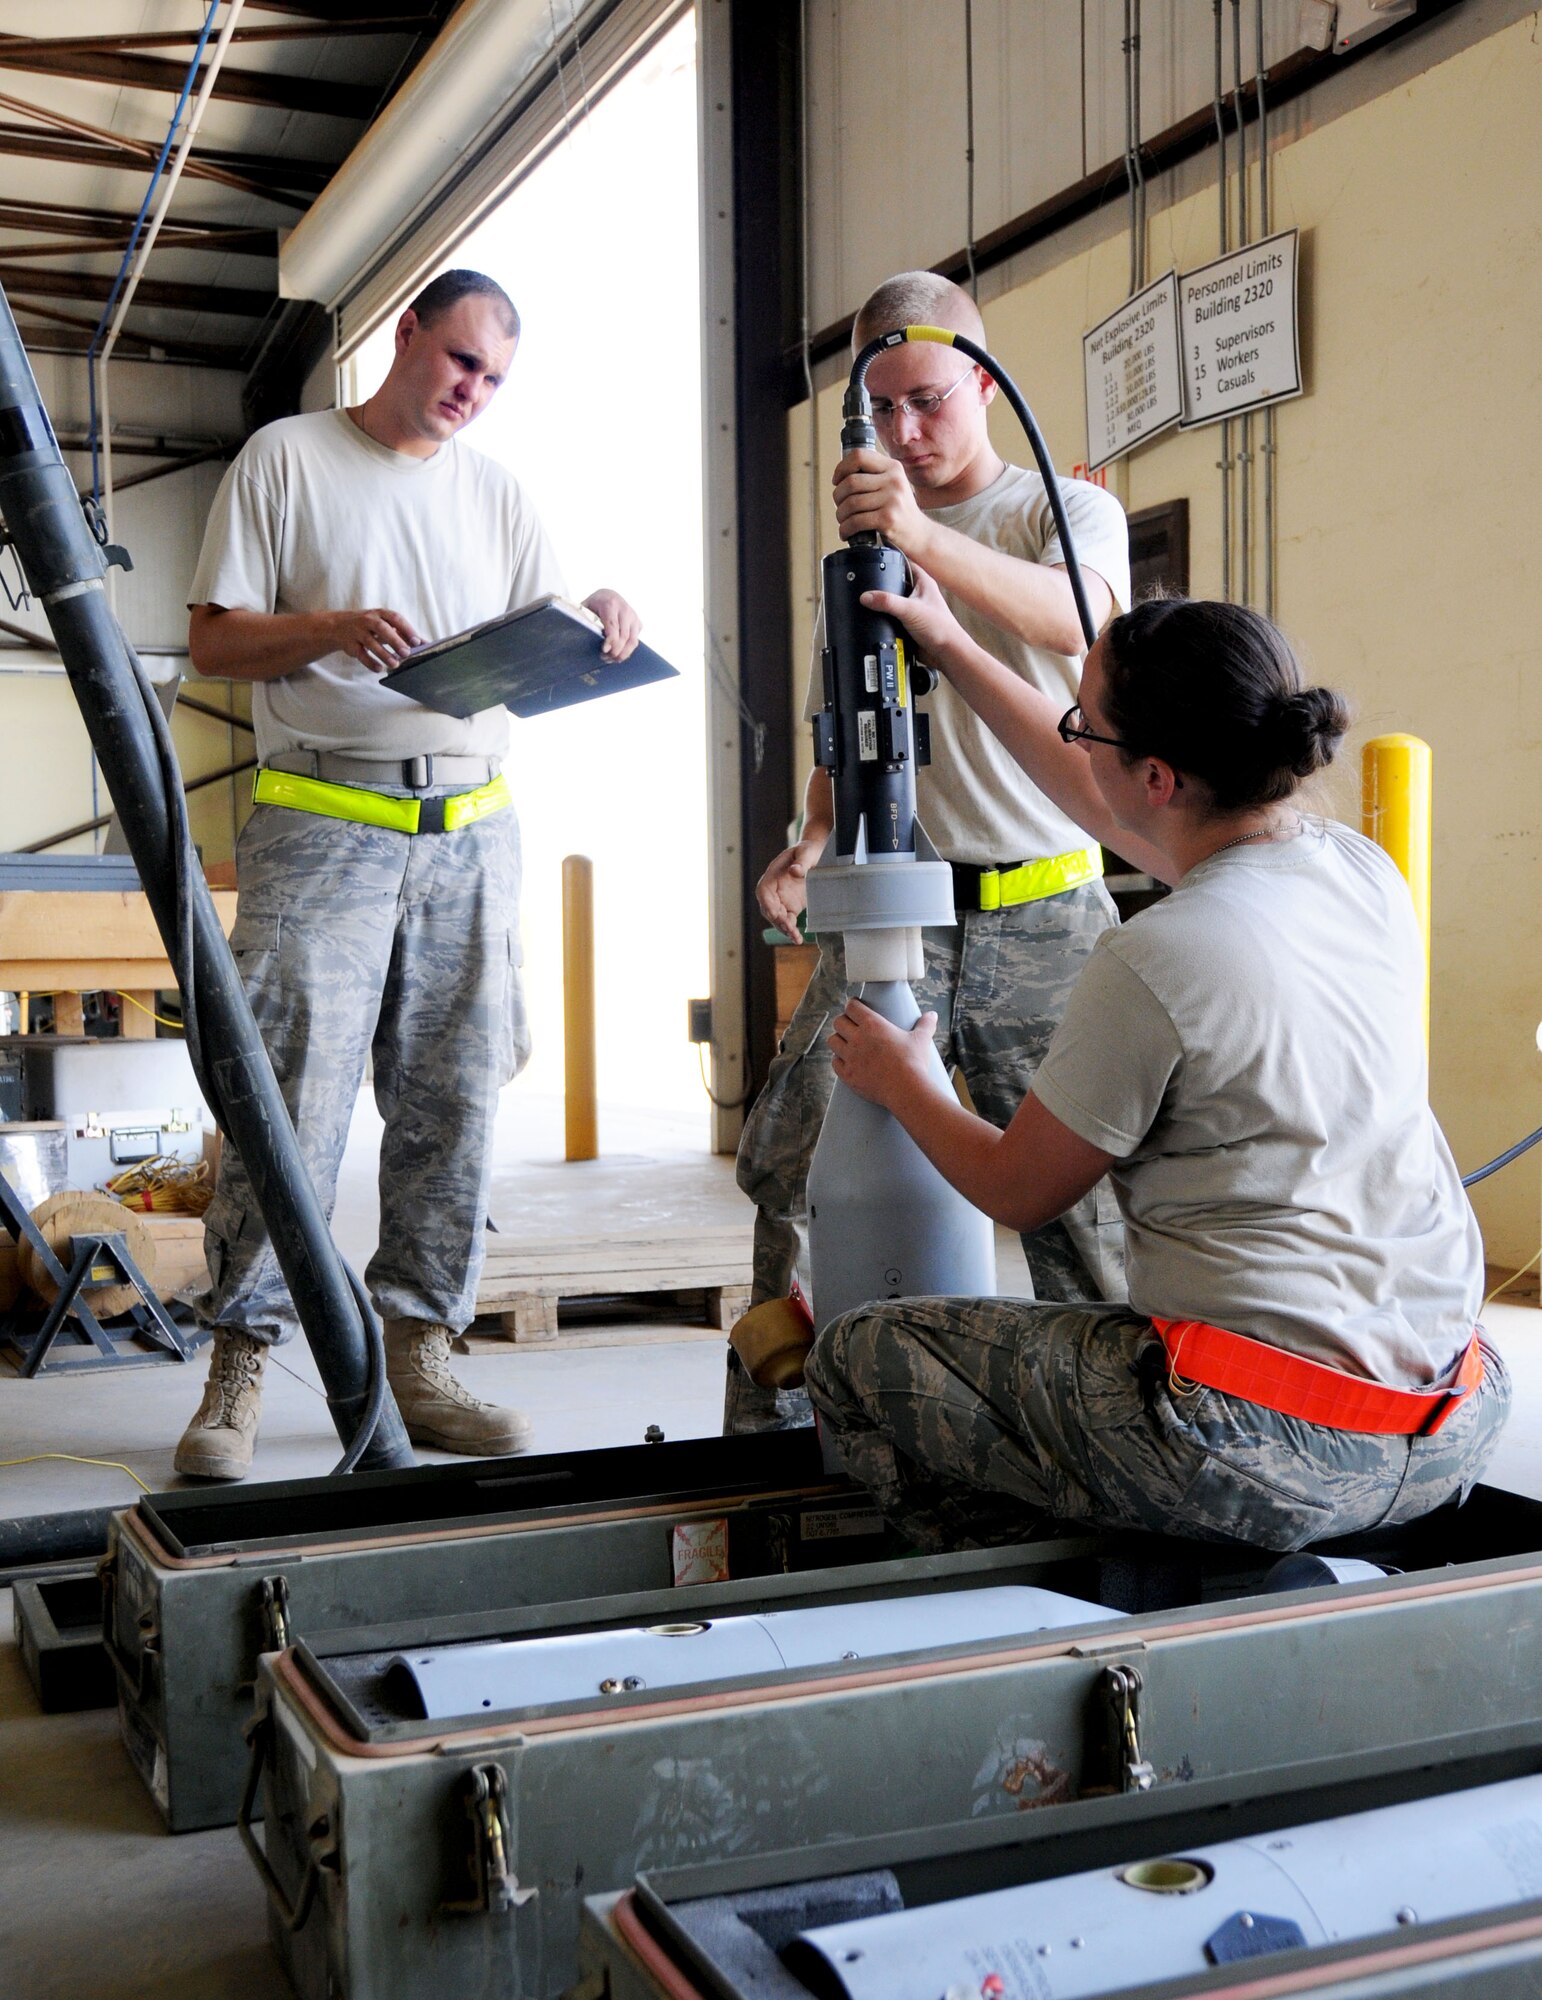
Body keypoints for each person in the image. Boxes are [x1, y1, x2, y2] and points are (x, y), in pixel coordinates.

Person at [805, 588, 1509, 1551]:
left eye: (1083, 725)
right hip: (1451, 1415)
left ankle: (1045, 1594)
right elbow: (1095, 790)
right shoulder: (1358, 869)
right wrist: (949, 642)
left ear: (1157, 777)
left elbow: (1018, 1190)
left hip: (1263, 1442)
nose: (1076, 742)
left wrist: (906, 1083)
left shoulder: (1156, 956)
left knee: (855, 1353)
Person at [173, 268, 641, 1481]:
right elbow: (213, 639)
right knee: (286, 1102)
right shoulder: (286, 459)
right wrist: (329, 628)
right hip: (324, 820)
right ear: (407, 334)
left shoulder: (498, 494)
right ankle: (238, 1365)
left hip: (473, 828)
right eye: (462, 360)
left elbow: (536, 639)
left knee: (455, 1100)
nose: (474, 390)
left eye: (495, 378)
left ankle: (422, 1354)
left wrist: (597, 616)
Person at [728, 269, 1132, 1434]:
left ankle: (1100, 1439)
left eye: (929, 400)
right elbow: (842, 729)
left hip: (1047, 913)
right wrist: (808, 841)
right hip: (897, 910)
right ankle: (774, 1430)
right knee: (792, 1160)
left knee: (1082, 1204)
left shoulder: (1056, 510)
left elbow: (1083, 618)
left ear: (986, 384)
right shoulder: (860, 552)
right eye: (882, 407)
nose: (904, 431)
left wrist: (917, 538)